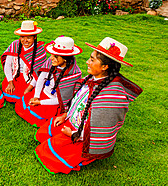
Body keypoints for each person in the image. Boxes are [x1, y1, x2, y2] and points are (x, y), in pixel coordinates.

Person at [34, 37, 143, 174]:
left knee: (48, 153)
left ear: (104, 67)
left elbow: (101, 127)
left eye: (92, 60)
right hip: (73, 124)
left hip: (85, 136)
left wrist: (74, 134)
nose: (87, 62)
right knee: (42, 134)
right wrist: (65, 115)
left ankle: (81, 154)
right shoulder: (93, 79)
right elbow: (77, 102)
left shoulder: (112, 96)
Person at [15, 36, 82, 127]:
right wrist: (36, 96)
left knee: (37, 116)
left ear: (65, 59)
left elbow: (60, 100)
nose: (51, 58)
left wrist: (40, 102)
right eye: (51, 55)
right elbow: (41, 78)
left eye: (55, 56)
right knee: (22, 105)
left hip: (53, 102)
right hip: (42, 94)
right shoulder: (52, 62)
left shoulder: (73, 75)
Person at [1, 20, 47, 104]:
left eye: (28, 37)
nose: (25, 40)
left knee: (27, 96)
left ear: (35, 37)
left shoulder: (40, 50)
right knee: (9, 95)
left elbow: (38, 74)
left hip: (30, 80)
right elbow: (7, 65)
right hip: (16, 77)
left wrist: (29, 88)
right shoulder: (15, 45)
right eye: (22, 37)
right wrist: (10, 82)